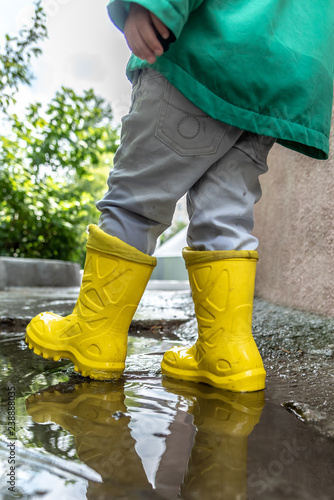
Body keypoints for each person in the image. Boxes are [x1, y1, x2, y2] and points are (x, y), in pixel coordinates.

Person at [25, 1, 334, 392]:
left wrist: (152, 5)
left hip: (208, 52)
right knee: (225, 215)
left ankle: (95, 332)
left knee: (135, 200)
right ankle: (227, 354)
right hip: (280, 76)